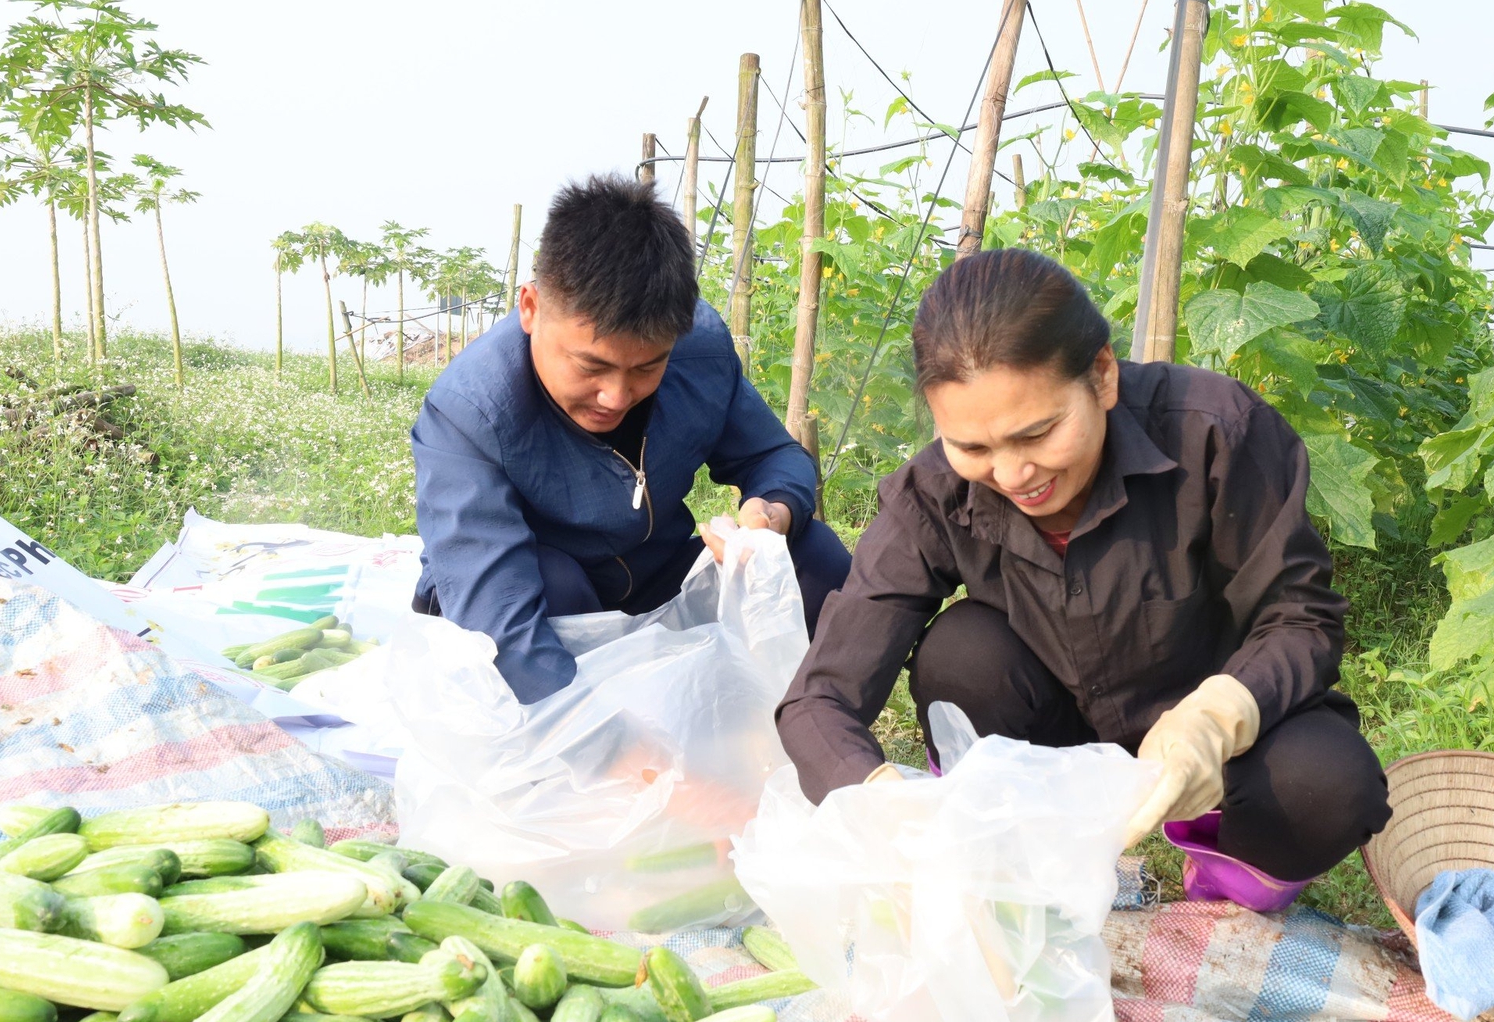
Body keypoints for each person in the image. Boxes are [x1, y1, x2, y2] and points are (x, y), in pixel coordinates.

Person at [776, 249, 1391, 911]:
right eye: (974, 447)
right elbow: (818, 701)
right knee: (963, 654)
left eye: (1038, 432)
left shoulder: (1215, 434)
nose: (1013, 476)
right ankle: (1019, 855)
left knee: (1326, 786)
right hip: (1055, 724)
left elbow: (1301, 617)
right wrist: (883, 805)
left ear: (1100, 375)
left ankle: (1218, 876)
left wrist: (1214, 720)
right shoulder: (933, 495)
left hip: (1215, 731)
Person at [411, 175, 851, 703]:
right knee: (554, 587)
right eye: (590, 366)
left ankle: (808, 733)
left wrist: (772, 512)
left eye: (647, 367)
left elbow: (775, 456)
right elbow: (501, 624)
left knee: (815, 557)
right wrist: (616, 751)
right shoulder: (470, 411)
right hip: (538, 599)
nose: (616, 396)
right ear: (530, 308)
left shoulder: (701, 354)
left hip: (648, 578)